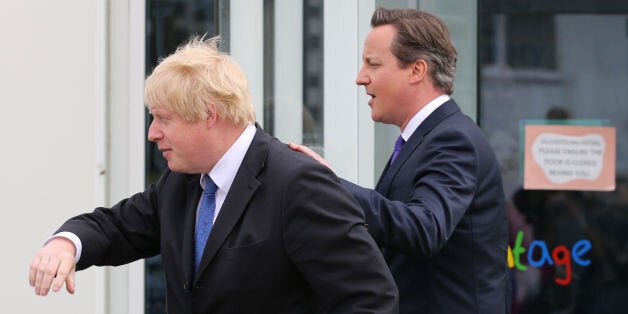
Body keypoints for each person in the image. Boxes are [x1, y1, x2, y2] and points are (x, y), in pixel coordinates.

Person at [28, 36, 399, 313]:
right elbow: (117, 227)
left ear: (209, 114)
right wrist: (66, 243)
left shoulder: (297, 184)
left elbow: (369, 300)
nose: (152, 133)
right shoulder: (183, 181)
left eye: (163, 118)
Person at [291, 7, 511, 314]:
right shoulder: (426, 138)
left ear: (417, 71)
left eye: (373, 64)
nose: (360, 78)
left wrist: (329, 185)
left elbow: (425, 228)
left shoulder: (453, 139)